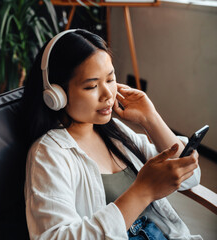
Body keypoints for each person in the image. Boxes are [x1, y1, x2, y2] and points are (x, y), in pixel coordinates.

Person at [21, 29, 202, 239]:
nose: (108, 94)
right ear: (56, 95)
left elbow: (190, 176)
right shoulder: (49, 154)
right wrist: (142, 192)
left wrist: (150, 118)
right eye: (92, 86)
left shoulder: (114, 132)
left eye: (110, 79)